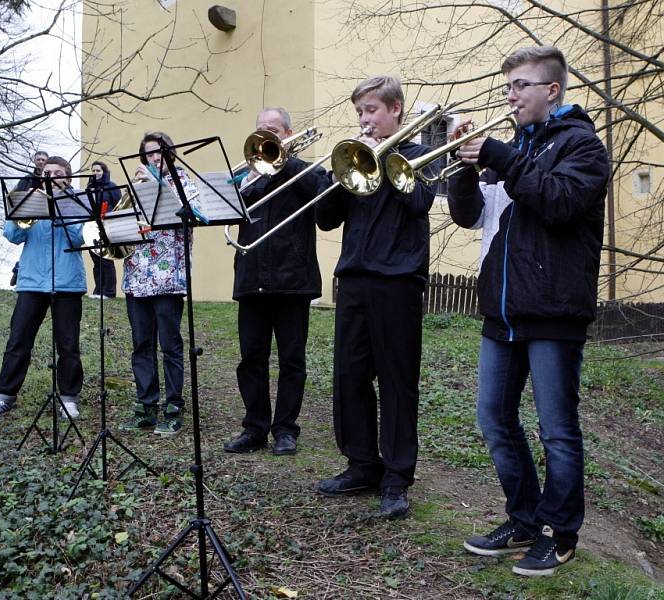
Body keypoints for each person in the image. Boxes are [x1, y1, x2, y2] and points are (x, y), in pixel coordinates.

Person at [446, 46, 608, 576]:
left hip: (554, 312)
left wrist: (498, 155)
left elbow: (559, 203)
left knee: (557, 430)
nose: (510, 96)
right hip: (503, 309)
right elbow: (469, 215)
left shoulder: (583, 147)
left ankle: (560, 534)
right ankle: (523, 519)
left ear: (552, 91)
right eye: (509, 86)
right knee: (494, 420)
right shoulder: (516, 148)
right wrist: (464, 169)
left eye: (520, 86)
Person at [314, 76, 437, 518]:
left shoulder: (420, 156)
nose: (365, 120)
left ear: (396, 109)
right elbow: (326, 220)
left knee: (397, 380)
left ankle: (397, 477)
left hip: (399, 283)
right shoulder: (353, 160)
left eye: (372, 110)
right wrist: (337, 176)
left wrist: (388, 162)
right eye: (361, 112)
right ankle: (362, 464)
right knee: (349, 376)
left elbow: (420, 202)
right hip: (355, 280)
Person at [223, 108, 326, 456]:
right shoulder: (248, 176)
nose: (265, 136)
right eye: (260, 130)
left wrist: (287, 161)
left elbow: (324, 196)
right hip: (252, 278)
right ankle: (255, 428)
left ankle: (285, 429)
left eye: (272, 131)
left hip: (292, 279)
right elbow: (227, 207)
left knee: (291, 359)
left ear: (288, 133)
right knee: (251, 358)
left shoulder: (305, 170)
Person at [0, 156, 87, 420]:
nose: (51, 176)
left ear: (68, 178)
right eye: (47, 172)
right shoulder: (30, 197)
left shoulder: (77, 200)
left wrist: (62, 207)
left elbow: (80, 237)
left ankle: (68, 399)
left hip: (67, 282)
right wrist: (26, 208)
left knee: (68, 345)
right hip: (31, 282)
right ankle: (4, 397)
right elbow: (13, 235)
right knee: (18, 341)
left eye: (58, 173)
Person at [121, 131, 199, 437]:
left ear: (170, 153)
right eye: (149, 153)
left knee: (170, 344)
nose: (154, 158)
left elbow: (192, 213)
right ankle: (146, 405)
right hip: (137, 274)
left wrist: (157, 185)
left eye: (159, 152)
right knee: (141, 344)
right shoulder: (137, 184)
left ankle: (174, 405)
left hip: (168, 276)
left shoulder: (183, 182)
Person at [10, 151, 48, 286]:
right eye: (39, 159)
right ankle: (19, 270)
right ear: (34, 161)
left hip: (47, 216)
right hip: (30, 214)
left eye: (44, 160)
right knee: (30, 247)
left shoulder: (50, 179)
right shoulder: (27, 178)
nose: (41, 162)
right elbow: (15, 196)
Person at [86, 161, 122, 299]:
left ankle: (109, 292)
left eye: (98, 171)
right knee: (96, 260)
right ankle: (98, 291)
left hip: (107, 226)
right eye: (93, 171)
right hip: (91, 227)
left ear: (104, 172)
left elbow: (119, 205)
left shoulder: (111, 186)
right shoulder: (89, 187)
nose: (95, 173)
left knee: (106, 259)